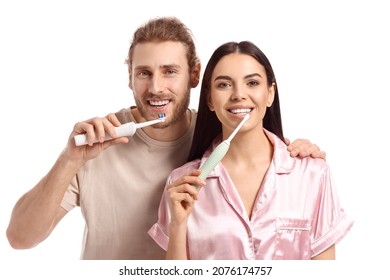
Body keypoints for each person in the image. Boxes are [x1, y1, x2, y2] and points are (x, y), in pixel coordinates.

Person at [6, 17, 325, 260]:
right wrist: (68, 160)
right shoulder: (97, 144)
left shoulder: (221, 137)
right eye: (144, 72)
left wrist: (300, 154)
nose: (156, 87)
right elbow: (19, 239)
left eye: (170, 71)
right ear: (129, 74)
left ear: (196, 75)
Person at [148, 41, 353, 260]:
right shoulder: (181, 185)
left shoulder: (312, 174)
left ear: (270, 94)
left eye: (252, 82)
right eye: (224, 85)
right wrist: (178, 225)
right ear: (209, 99)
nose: (239, 94)